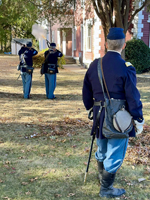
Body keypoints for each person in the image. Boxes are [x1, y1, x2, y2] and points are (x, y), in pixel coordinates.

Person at [82, 27, 144, 198]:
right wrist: (138, 118)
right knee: (115, 152)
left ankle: (102, 178)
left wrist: (90, 107)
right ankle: (106, 189)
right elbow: (132, 95)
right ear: (123, 45)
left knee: (102, 147)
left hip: (99, 114)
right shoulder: (126, 67)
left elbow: (86, 91)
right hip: (119, 116)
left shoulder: (94, 65)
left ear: (106, 44)